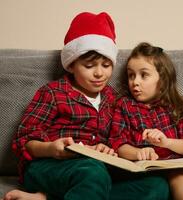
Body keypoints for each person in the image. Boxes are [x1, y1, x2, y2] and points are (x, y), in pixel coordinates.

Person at [3, 13, 169, 200]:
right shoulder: (53, 92)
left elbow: (120, 138)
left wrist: (107, 149)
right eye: (89, 66)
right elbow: (24, 140)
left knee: (156, 186)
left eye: (106, 65)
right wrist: (51, 149)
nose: (99, 73)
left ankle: (49, 197)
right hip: (49, 166)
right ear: (72, 65)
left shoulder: (114, 98)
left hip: (97, 170)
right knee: (92, 172)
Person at [109, 42, 183, 200]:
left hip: (179, 161)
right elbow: (117, 144)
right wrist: (139, 152)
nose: (135, 82)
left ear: (162, 80)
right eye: (131, 75)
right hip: (155, 168)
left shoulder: (175, 106)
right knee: (181, 179)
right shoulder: (124, 105)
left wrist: (167, 143)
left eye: (144, 75)